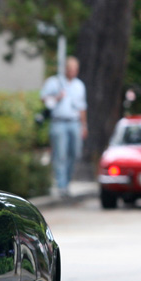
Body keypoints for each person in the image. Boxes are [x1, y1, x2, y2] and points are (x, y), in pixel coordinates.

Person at [41, 56, 88, 198]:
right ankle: (61, 186)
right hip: (58, 122)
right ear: (65, 69)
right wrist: (57, 97)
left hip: (74, 122)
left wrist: (84, 125)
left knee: (75, 153)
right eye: (70, 68)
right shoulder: (54, 82)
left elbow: (82, 107)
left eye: (75, 69)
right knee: (60, 154)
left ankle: (66, 182)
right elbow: (43, 98)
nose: (73, 71)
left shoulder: (79, 85)